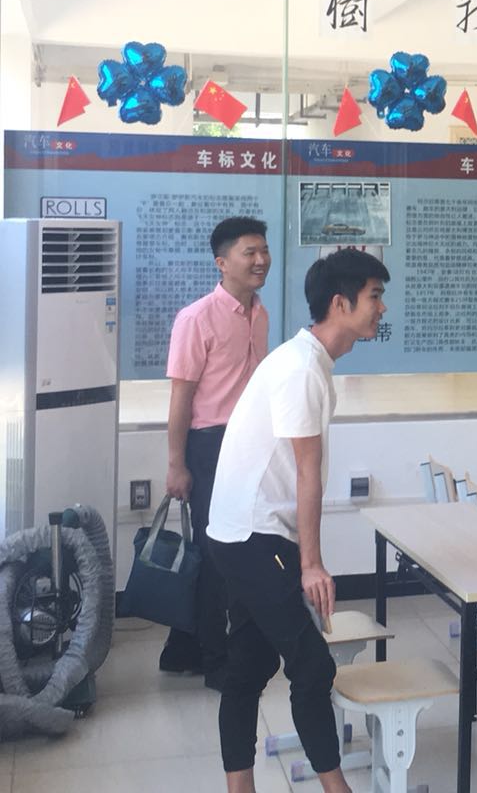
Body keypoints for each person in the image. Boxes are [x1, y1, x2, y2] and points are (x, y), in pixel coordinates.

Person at [206, 247, 388, 793]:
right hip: (254, 535)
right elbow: (309, 473)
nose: (381, 308)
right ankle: (337, 787)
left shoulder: (308, 361)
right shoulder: (302, 368)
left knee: (249, 665)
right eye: (374, 296)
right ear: (340, 303)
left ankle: (240, 785)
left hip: (245, 531)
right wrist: (312, 565)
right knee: (312, 666)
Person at [159, 216, 272, 684]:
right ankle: (214, 659)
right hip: (208, 446)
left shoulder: (260, 314)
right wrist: (176, 464)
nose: (261, 260)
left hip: (246, 445)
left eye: (263, 250)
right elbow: (181, 399)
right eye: (250, 252)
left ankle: (182, 649)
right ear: (222, 263)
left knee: (226, 548)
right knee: (216, 552)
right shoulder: (196, 318)